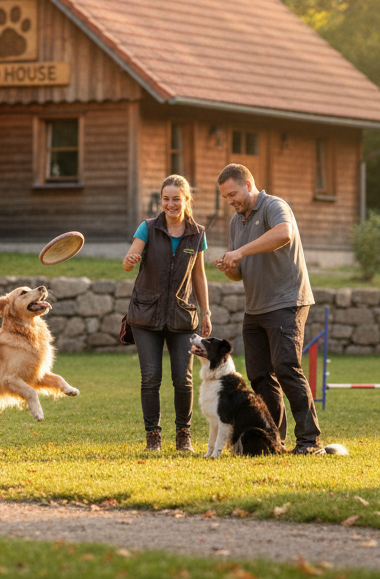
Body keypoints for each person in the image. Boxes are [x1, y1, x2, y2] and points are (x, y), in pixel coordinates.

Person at [213, 163, 323, 454]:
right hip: (256, 306)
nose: (230, 201)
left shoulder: (275, 206)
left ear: (248, 184)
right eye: (225, 197)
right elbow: (240, 272)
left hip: (287, 301)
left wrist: (240, 251)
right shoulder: (237, 221)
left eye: (233, 194)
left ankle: (310, 441)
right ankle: (274, 440)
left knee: (286, 368)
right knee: (260, 375)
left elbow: (284, 234)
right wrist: (230, 267)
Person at [121, 174, 212, 452]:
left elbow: (199, 276)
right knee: (150, 377)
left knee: (182, 380)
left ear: (186, 200)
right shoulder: (147, 227)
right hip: (145, 317)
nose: (170, 204)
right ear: (161, 200)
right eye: (165, 199)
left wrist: (206, 312)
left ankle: (183, 436)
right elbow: (129, 260)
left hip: (181, 317)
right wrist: (129, 259)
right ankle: (153, 438)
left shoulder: (197, 233)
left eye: (176, 199)